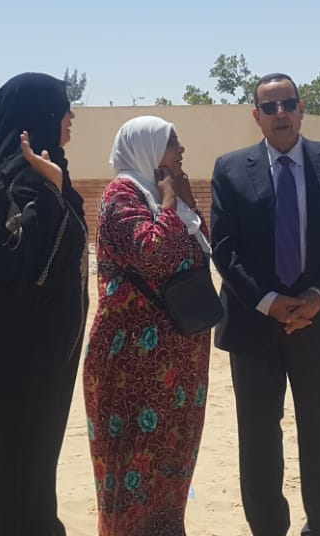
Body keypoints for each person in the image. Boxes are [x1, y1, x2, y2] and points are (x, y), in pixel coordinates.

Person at [210, 73, 320, 536]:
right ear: (256, 115)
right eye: (270, 107)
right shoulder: (230, 169)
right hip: (253, 327)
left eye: (288, 104)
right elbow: (225, 249)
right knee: (258, 439)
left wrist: (317, 298)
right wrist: (269, 302)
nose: (281, 114)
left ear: (301, 109)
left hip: (319, 324)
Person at [0, 72, 88, 535]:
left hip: (31, 368)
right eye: (63, 108)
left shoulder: (39, 177)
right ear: (40, 116)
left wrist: (58, 186)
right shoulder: (17, 186)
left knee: (28, 473)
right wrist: (54, 191)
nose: (71, 116)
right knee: (8, 476)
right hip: (10, 369)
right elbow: (27, 271)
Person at [83, 116, 213, 535]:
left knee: (172, 463)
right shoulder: (121, 195)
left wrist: (187, 204)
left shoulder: (160, 196)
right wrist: (172, 202)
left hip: (178, 363)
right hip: (133, 366)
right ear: (147, 148)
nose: (181, 150)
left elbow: (200, 255)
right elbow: (153, 253)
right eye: (172, 142)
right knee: (133, 467)